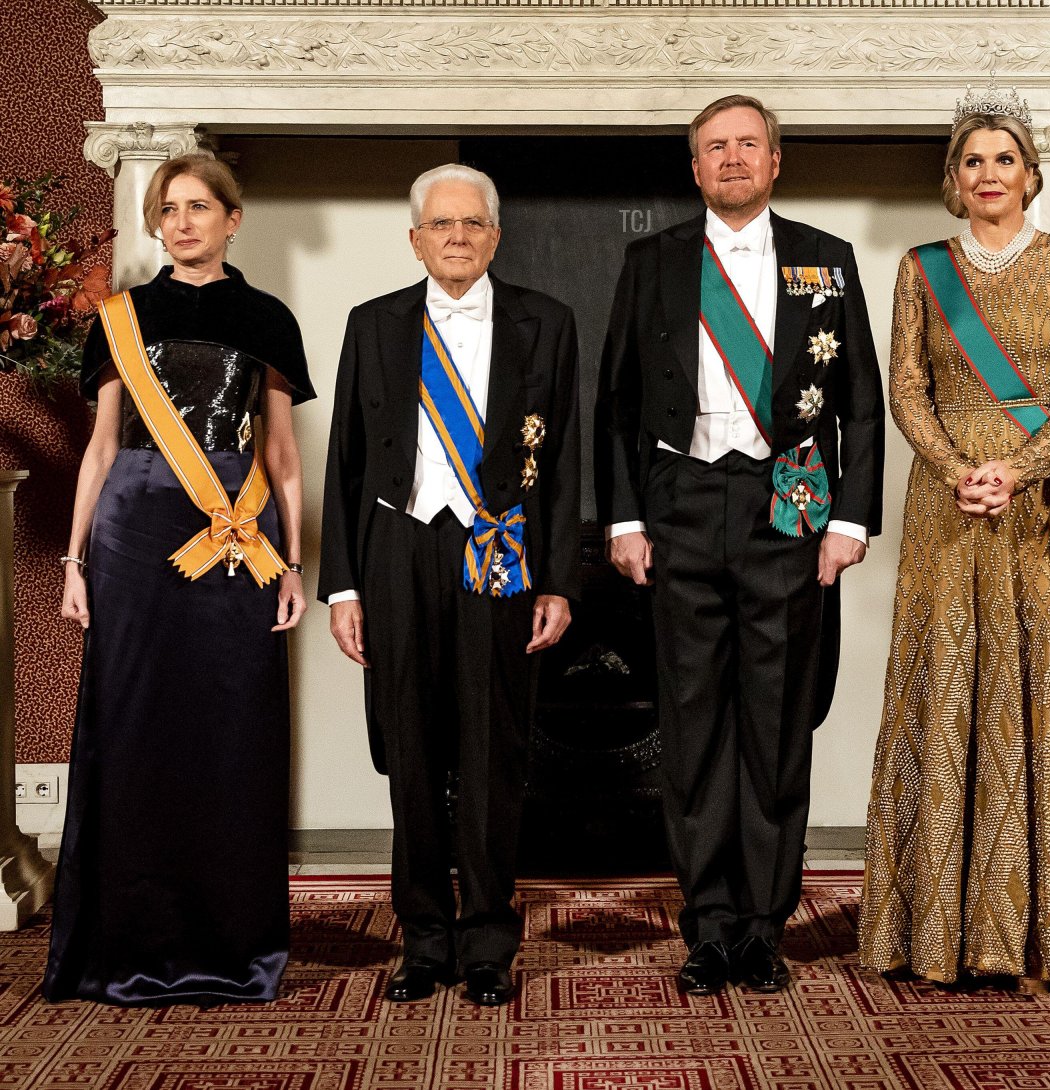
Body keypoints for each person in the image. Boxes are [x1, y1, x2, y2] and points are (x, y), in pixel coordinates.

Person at [594, 95, 885, 996]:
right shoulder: (653, 261)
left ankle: (764, 925)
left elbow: (861, 404)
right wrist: (625, 520)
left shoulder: (824, 260)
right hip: (680, 503)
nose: (731, 159)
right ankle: (709, 923)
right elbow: (617, 403)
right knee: (693, 724)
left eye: (747, 145)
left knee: (774, 722)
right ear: (694, 168)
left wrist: (848, 521)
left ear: (775, 160)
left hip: (786, 510)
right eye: (714, 147)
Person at [857, 85, 1050, 990]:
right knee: (950, 686)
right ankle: (936, 931)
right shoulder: (919, 267)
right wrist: (954, 469)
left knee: (1048, 687)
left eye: (1003, 159)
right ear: (953, 176)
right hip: (948, 507)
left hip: (1043, 504)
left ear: (1028, 173)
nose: (988, 174)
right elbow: (905, 389)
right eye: (972, 160)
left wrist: (1017, 468)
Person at [45, 152, 314, 1006]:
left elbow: (283, 454)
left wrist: (297, 565)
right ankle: (130, 944)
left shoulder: (268, 317)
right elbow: (100, 448)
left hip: (235, 537)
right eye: (170, 208)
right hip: (134, 537)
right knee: (135, 731)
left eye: (201, 206)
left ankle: (234, 948)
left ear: (234, 219)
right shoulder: (119, 317)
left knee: (232, 732)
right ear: (156, 221)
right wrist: (75, 563)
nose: (184, 222)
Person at [319, 164, 580, 1008]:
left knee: (493, 749)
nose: (457, 236)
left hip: (500, 551)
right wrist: (344, 587)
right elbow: (346, 466)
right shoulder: (373, 324)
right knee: (412, 752)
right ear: (416, 239)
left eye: (472, 223)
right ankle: (424, 938)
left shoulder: (548, 322)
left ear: (495, 236)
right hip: (398, 548)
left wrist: (558, 579)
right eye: (442, 224)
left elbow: (567, 460)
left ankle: (489, 943)